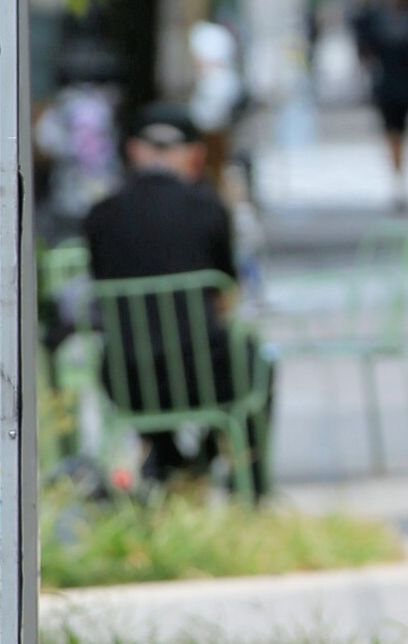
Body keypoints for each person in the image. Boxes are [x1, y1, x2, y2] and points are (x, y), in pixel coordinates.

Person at [83, 103, 273, 498]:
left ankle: (170, 461)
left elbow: (101, 292)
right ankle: (242, 482)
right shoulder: (209, 208)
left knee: (145, 361)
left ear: (134, 151)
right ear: (194, 156)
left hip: (127, 376)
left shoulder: (101, 214)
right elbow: (226, 292)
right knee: (256, 362)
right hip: (204, 371)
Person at [354, 0, 408, 208]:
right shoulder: (379, 22)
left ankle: (399, 173)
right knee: (392, 133)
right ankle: (397, 174)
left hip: (404, 86)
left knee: (400, 134)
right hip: (387, 86)